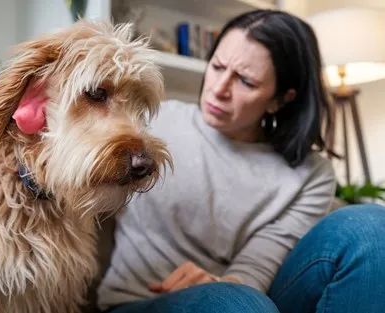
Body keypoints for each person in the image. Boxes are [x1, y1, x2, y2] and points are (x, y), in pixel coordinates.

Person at [96, 9, 385, 313]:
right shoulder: (150, 122)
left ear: (281, 99)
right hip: (137, 303)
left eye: (245, 81)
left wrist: (220, 284)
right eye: (218, 66)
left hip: (247, 295)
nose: (218, 90)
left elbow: (256, 268)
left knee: (370, 228)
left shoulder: (310, 174)